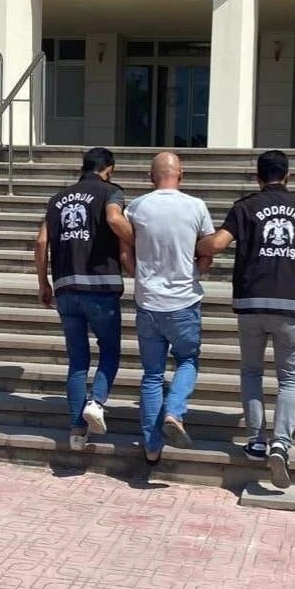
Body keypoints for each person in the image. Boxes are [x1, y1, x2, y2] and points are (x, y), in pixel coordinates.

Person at [197, 149, 295, 490]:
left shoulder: (245, 207)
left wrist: (192, 244)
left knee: (251, 372)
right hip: (293, 302)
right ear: (288, 175)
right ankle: (281, 444)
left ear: (258, 177)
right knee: (290, 378)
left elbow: (218, 244)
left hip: (251, 301)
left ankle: (257, 440)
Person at [35, 147, 133, 451]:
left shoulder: (57, 199)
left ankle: (77, 431)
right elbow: (114, 220)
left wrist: (43, 283)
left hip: (65, 286)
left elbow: (41, 241)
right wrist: (138, 241)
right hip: (101, 285)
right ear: (109, 169)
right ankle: (97, 401)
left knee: (77, 361)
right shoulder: (111, 192)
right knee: (110, 351)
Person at [121, 152, 215, 465]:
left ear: (151, 177)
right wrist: (195, 273)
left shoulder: (136, 207)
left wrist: (140, 278)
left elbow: (125, 254)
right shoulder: (196, 206)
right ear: (181, 175)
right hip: (184, 300)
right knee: (187, 359)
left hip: (148, 302)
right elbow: (208, 250)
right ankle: (174, 411)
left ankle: (152, 446)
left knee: (152, 375)